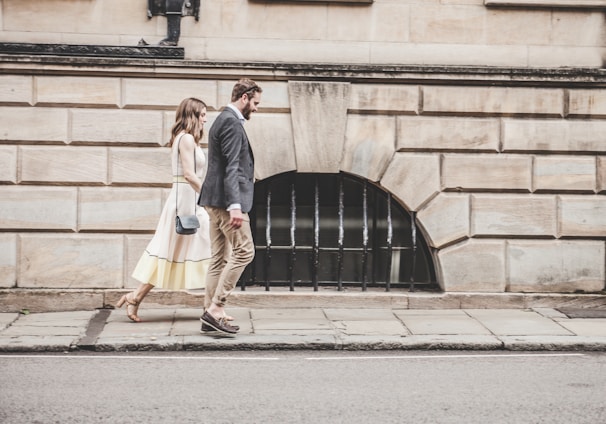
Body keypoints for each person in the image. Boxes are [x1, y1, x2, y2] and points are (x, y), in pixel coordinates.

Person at [116, 97, 211, 322]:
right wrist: (209, 197)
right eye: (203, 114)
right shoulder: (186, 139)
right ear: (193, 115)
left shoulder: (188, 139)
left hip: (190, 201)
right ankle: (215, 308)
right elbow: (188, 174)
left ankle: (214, 307)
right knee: (172, 253)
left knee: (190, 251)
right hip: (185, 203)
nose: (206, 119)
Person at [198, 78, 262, 334]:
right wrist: (235, 205)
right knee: (245, 251)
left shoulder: (222, 120)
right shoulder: (232, 123)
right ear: (244, 98)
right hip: (226, 202)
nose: (256, 108)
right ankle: (216, 308)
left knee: (219, 258)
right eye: (255, 103)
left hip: (213, 199)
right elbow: (232, 167)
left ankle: (209, 313)